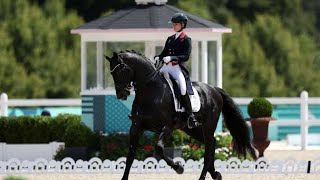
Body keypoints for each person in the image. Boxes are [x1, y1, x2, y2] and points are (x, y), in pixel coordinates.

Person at [155, 13, 199, 129]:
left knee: (183, 88)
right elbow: (164, 53)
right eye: (173, 24)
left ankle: (190, 115)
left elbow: (186, 56)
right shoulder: (170, 39)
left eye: (175, 24)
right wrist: (158, 57)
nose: (173, 26)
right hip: (166, 67)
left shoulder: (186, 39)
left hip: (177, 68)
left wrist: (172, 58)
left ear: (182, 25)